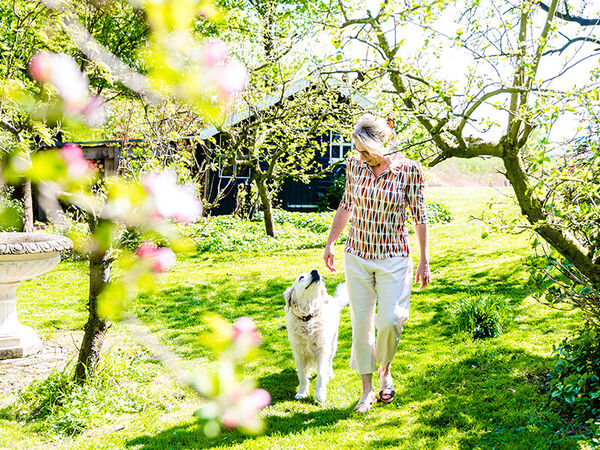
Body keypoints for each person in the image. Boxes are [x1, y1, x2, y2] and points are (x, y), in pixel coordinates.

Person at [323, 113, 430, 413]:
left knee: (391, 320)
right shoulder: (355, 165)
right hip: (357, 254)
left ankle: (385, 368)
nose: (361, 156)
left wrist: (424, 260)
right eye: (358, 150)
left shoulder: (410, 171)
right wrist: (331, 242)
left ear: (382, 143)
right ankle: (367, 389)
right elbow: (347, 204)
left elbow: (420, 217)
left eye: (366, 150)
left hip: (394, 256)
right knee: (361, 325)